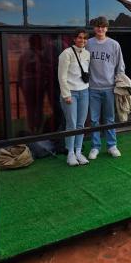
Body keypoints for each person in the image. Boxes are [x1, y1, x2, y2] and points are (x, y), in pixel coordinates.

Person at [86, 16, 125, 159]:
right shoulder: (88, 44)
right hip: (93, 88)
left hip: (109, 87)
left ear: (107, 28)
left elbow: (120, 66)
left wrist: (120, 82)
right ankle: (95, 147)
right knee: (94, 120)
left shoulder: (114, 45)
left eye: (103, 26)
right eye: (98, 26)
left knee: (109, 118)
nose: (100, 29)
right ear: (94, 28)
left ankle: (111, 145)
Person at [58, 29, 90, 166]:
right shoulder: (66, 54)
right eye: (79, 37)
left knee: (80, 124)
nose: (82, 40)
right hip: (71, 93)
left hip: (84, 92)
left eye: (84, 38)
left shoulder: (87, 53)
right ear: (74, 39)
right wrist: (66, 95)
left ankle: (78, 151)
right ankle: (70, 153)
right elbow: (62, 76)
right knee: (71, 124)